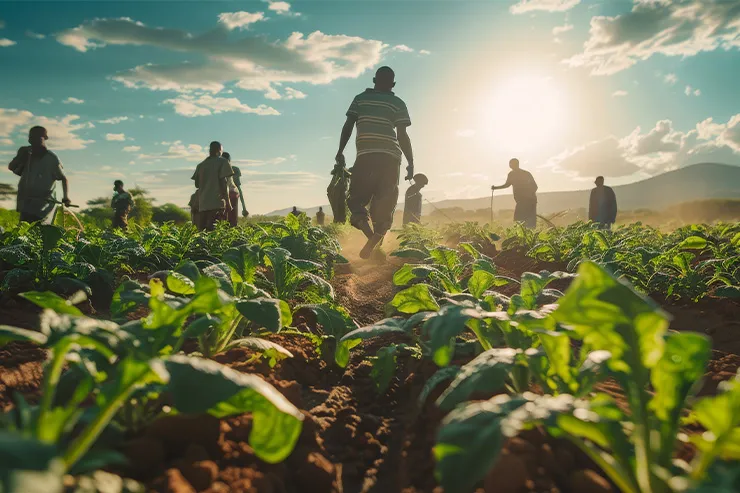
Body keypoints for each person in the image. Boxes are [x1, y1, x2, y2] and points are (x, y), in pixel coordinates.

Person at [336, 66, 414, 259]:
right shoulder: (398, 103)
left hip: (366, 156)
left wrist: (340, 151)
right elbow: (402, 135)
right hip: (390, 157)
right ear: (393, 84)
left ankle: (371, 238)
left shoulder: (360, 99)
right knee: (385, 203)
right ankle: (376, 238)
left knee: (356, 200)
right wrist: (411, 162)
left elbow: (348, 125)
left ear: (374, 80)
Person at [8, 126, 71, 223]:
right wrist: (20, 157)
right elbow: (12, 167)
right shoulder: (26, 155)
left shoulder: (51, 158)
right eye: (32, 138)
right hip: (26, 200)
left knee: (37, 227)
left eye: (38, 138)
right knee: (24, 229)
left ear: (44, 138)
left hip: (43, 203)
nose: (34, 141)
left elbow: (63, 178)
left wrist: (66, 197)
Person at [191, 141, 233, 231]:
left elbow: (197, 184)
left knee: (202, 233)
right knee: (214, 233)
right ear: (219, 151)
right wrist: (228, 202)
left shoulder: (201, 165)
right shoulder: (223, 162)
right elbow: (223, 183)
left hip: (203, 205)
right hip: (216, 204)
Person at [491, 158, 538, 229]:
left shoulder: (517, 174)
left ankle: (526, 237)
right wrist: (495, 188)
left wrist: (527, 196)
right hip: (527, 201)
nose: (510, 165)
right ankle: (526, 237)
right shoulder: (515, 174)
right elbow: (507, 185)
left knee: (520, 220)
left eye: (511, 164)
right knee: (524, 220)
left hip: (527, 201)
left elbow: (535, 187)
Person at [222, 152, 248, 227]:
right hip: (231, 195)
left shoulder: (215, 170)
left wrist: (244, 208)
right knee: (232, 222)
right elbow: (238, 189)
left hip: (220, 196)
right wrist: (244, 208)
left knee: (221, 222)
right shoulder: (234, 169)